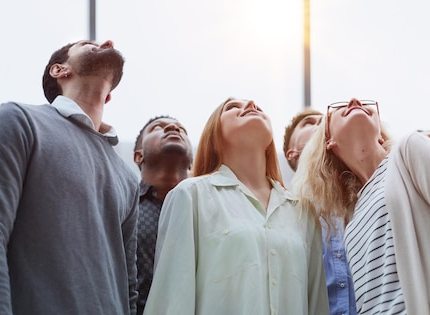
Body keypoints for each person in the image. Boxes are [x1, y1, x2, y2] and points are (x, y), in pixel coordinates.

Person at [0, 40, 139, 314]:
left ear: (108, 95)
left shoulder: (127, 177)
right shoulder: (19, 120)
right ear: (59, 70)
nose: (107, 43)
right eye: (88, 44)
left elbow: (128, 285)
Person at [293, 98, 430, 314]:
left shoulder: (410, 150)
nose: (354, 101)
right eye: (339, 108)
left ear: (379, 132)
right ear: (329, 140)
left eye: (365, 103)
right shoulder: (352, 224)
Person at [143, 98, 329, 314]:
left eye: (259, 107)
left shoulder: (303, 212)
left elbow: (316, 305)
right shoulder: (190, 196)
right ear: (214, 137)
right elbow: (170, 302)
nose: (251, 104)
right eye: (232, 108)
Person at [283, 108, 356, 315]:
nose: (321, 123)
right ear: (292, 153)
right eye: (309, 123)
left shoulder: (368, 199)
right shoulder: (284, 213)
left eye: (324, 121)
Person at [133, 115, 193, 315]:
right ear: (138, 156)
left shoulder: (211, 210)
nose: (173, 127)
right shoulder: (123, 206)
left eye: (181, 129)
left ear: (192, 162)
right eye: (158, 127)